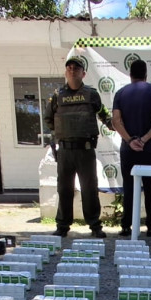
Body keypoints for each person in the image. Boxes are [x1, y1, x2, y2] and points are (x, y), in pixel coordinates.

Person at [43, 56, 113, 238]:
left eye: (76, 68)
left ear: (84, 73)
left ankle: (95, 226)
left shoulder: (92, 94)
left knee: (89, 189)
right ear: (66, 72)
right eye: (69, 68)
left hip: (85, 150)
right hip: (65, 151)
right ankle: (62, 226)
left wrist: (114, 124)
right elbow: (48, 119)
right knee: (64, 189)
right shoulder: (57, 96)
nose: (72, 70)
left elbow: (104, 115)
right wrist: (62, 132)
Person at [112, 59, 151, 237]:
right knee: (150, 189)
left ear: (130, 74)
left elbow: (116, 121)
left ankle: (126, 226)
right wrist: (143, 140)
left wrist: (129, 140)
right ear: (146, 74)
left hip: (128, 150)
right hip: (149, 149)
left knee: (129, 188)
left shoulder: (120, 93)